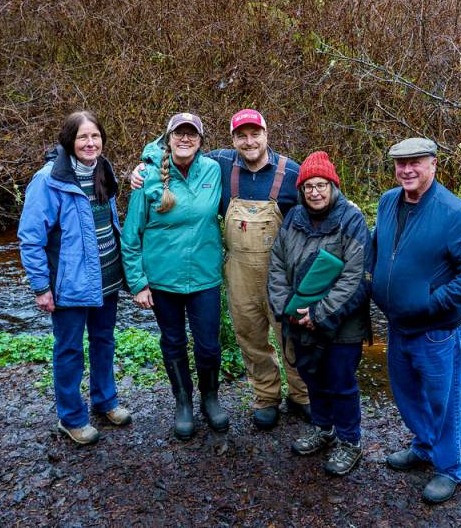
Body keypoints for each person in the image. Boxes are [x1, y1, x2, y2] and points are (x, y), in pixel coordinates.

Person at [132, 109, 310, 431]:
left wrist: (342, 206)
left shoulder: (289, 172)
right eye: (242, 135)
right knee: (251, 338)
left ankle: (301, 396)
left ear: (267, 134)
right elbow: (166, 157)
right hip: (235, 272)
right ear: (232, 141)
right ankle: (265, 398)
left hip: (279, 273)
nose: (249, 141)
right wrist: (144, 165)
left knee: (290, 337)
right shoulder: (221, 167)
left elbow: (318, 202)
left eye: (255, 133)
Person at [371, 137, 461, 504]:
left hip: (436, 330)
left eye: (415, 162)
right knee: (406, 393)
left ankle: (448, 468)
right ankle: (423, 447)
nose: (406, 169)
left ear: (434, 164)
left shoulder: (454, 213)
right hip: (397, 324)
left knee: (444, 400)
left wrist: (431, 303)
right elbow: (378, 248)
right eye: (400, 163)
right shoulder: (388, 201)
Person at [17, 111, 132, 445]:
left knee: (104, 341)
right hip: (70, 284)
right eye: (83, 137)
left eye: (95, 136)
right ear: (69, 140)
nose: (90, 143)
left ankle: (105, 401)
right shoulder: (48, 180)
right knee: (68, 350)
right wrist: (41, 287)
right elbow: (31, 237)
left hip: (107, 277)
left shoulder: (103, 169)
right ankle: (71, 417)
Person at [120, 112, 229, 440]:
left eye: (191, 134)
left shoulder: (213, 170)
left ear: (200, 141)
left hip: (205, 278)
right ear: (167, 138)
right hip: (163, 281)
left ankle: (210, 399)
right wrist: (138, 283)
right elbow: (131, 235)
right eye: (179, 134)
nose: (185, 139)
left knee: (209, 347)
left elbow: (253, 166)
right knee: (173, 342)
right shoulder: (148, 176)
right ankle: (183, 402)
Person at [268, 151, 371, 477]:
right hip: (299, 318)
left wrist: (319, 313)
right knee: (312, 376)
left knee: (340, 381)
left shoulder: (351, 219)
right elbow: (277, 267)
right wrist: (289, 309)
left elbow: (356, 277)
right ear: (301, 190)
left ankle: (349, 441)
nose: (315, 192)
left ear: (333, 186)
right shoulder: (293, 218)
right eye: (309, 186)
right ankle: (323, 429)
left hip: (342, 324)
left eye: (322, 185)